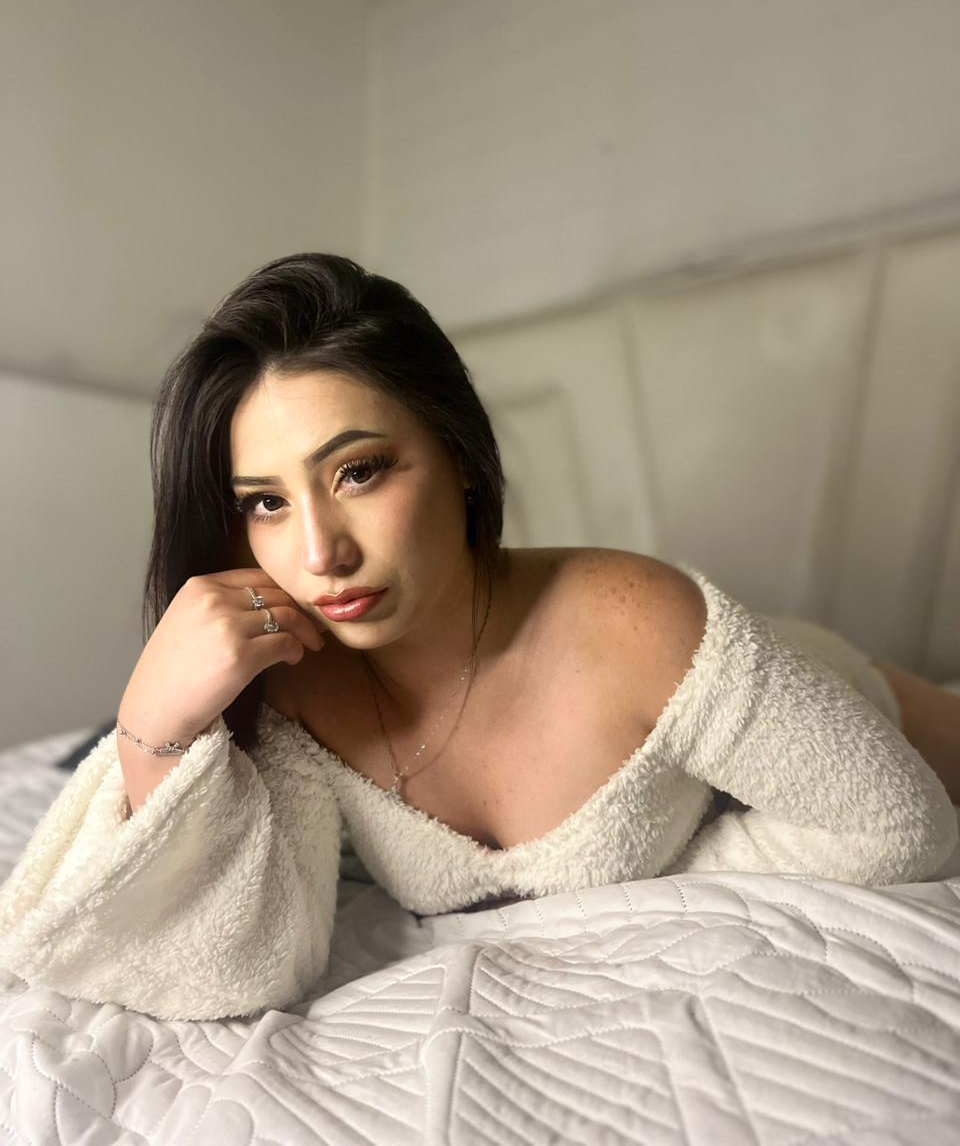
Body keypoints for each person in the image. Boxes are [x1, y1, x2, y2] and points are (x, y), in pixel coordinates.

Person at [1, 253, 957, 1022]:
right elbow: (240, 964)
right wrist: (150, 729)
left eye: (359, 471)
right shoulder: (297, 675)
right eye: (266, 502)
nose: (321, 554)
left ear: (458, 453)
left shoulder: (642, 621)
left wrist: (652, 887)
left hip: (830, 683)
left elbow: (897, 828)